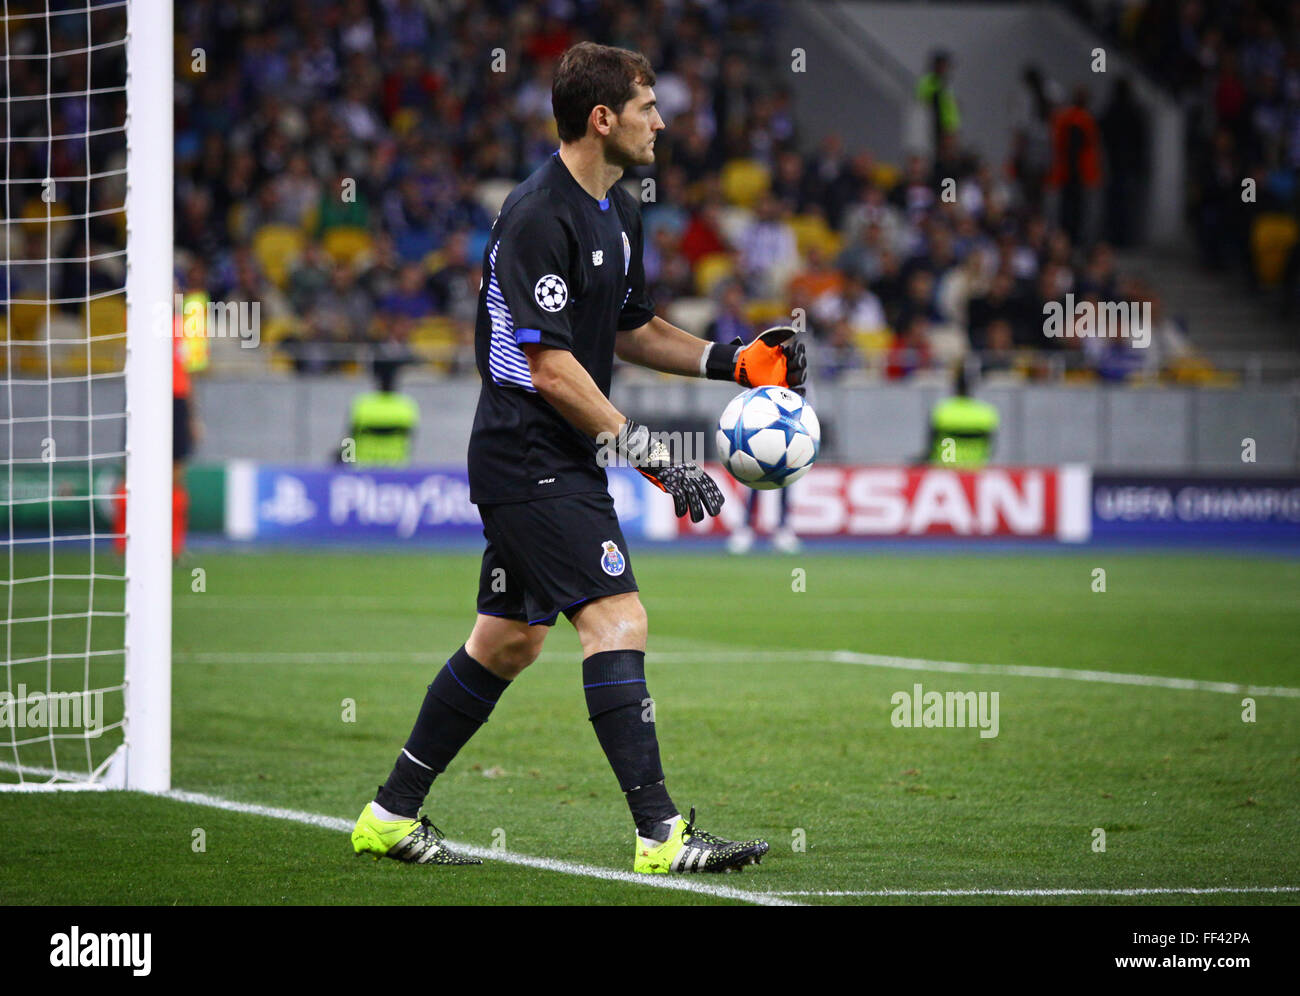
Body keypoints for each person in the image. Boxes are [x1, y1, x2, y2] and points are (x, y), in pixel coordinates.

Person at [351, 42, 807, 874]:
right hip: (531, 456)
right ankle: (660, 835)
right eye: (647, 108)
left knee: (507, 644)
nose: (662, 123)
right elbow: (551, 367)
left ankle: (389, 814)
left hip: (548, 458)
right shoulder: (538, 215)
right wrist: (652, 456)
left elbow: (630, 329)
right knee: (618, 620)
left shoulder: (618, 208)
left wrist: (734, 362)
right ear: (603, 118)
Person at [345, 359, 419, 466]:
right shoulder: (406, 406)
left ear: (377, 381)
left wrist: (346, 466)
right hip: (397, 466)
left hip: (362, 466)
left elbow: (348, 440)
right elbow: (409, 441)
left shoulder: (361, 404)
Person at [926, 364, 998, 467]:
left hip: (947, 465)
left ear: (954, 389)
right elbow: (992, 446)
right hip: (977, 466)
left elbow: (931, 445)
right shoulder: (986, 412)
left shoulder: (942, 411)